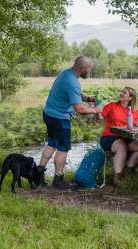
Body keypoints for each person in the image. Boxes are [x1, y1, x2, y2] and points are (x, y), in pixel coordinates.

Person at [38, 56, 103, 189]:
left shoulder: (66, 74)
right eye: (89, 70)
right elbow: (79, 109)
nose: (89, 72)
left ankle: (38, 173)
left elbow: (72, 93)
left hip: (49, 114)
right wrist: (96, 109)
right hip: (60, 118)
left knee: (52, 144)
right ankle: (58, 180)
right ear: (82, 68)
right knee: (63, 148)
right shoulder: (72, 81)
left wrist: (87, 98)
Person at [99, 87, 138, 186]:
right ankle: (117, 178)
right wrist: (98, 110)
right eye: (121, 91)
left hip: (127, 137)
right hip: (109, 136)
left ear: (130, 98)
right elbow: (100, 116)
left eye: (124, 93)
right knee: (121, 147)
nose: (121, 93)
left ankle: (127, 170)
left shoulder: (134, 111)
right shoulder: (112, 106)